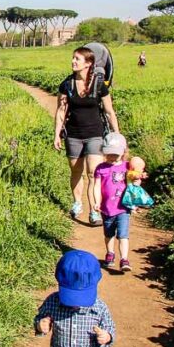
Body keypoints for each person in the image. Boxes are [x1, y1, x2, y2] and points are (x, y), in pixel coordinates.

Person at [53, 47, 121, 224]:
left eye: (77, 59)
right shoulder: (66, 84)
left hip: (95, 134)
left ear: (88, 63)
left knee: (93, 174)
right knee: (76, 171)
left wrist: (117, 135)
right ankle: (77, 203)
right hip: (73, 134)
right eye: (73, 58)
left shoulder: (99, 85)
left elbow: (109, 112)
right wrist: (56, 135)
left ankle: (94, 210)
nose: (73, 61)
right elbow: (60, 111)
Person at [93, 132, 138, 271]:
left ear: (124, 152)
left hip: (123, 208)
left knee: (123, 235)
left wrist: (134, 203)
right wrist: (96, 202)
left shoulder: (127, 167)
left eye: (116, 154)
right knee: (109, 234)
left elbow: (133, 186)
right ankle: (110, 254)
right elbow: (96, 186)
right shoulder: (100, 168)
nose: (112, 157)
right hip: (106, 208)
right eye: (109, 154)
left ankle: (124, 259)